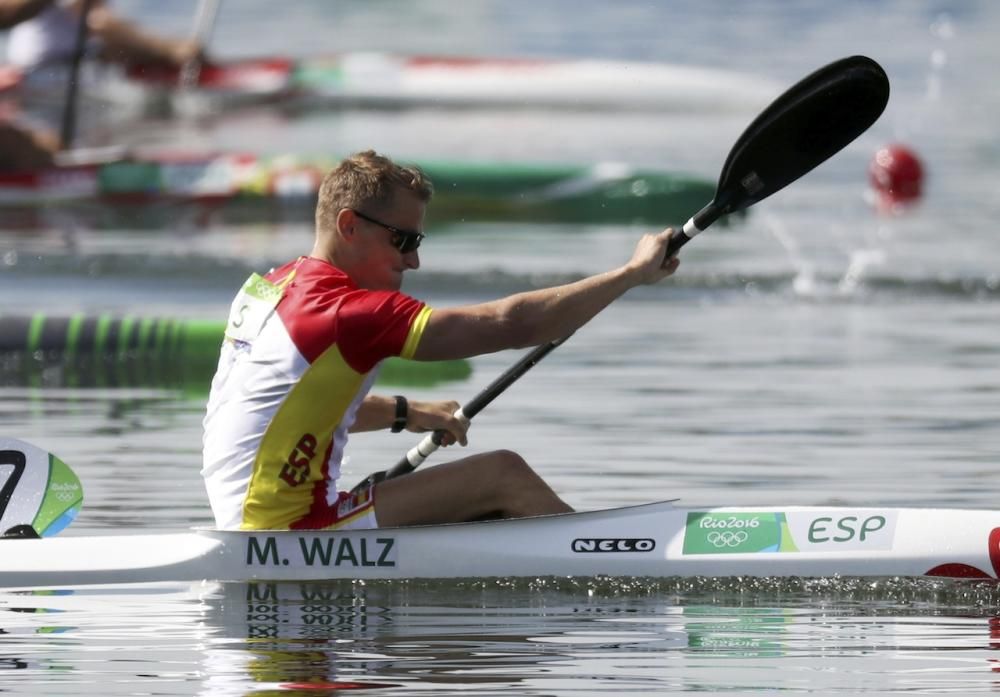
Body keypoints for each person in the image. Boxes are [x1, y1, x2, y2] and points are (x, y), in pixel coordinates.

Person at [201, 150, 681, 531]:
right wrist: (629, 274)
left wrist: (407, 412)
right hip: (291, 529)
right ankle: (612, 558)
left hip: (247, 517)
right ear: (349, 226)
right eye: (404, 242)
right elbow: (511, 323)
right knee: (502, 475)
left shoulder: (270, 288)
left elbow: (282, 401)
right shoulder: (350, 313)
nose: (413, 263)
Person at [0, 0, 202, 171]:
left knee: (46, 148)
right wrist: (169, 50)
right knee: (27, 151)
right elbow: (101, 23)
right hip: (52, 77)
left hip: (66, 73)